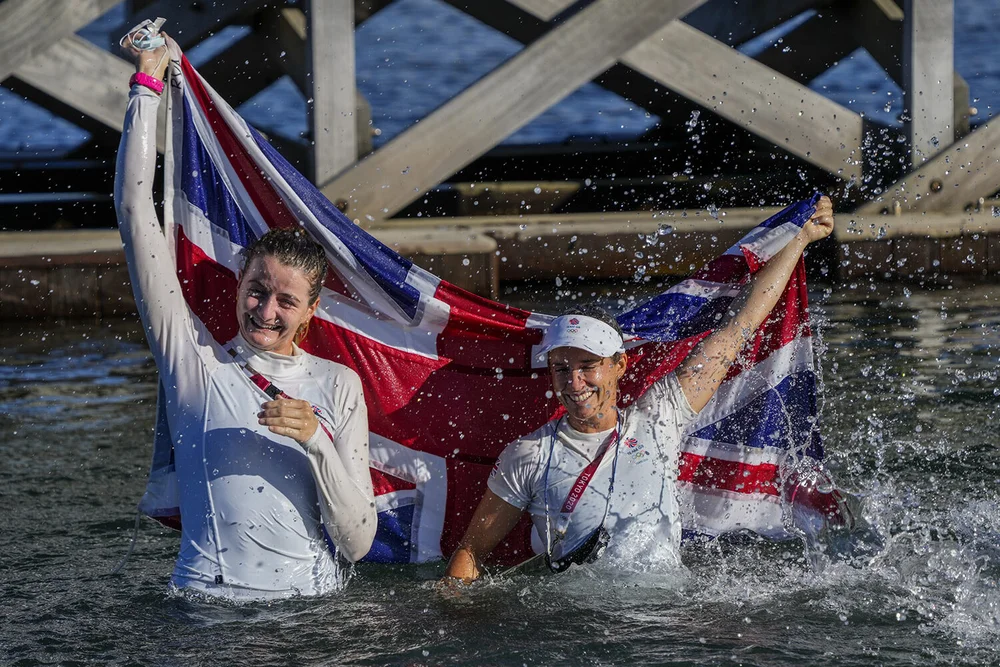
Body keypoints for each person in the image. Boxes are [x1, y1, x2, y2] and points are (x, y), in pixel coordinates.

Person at [442, 197, 836, 581]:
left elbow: (741, 327)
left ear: (618, 366)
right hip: (575, 633)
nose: (574, 382)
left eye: (588, 366)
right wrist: (454, 604)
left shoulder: (661, 415)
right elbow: (472, 551)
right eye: (562, 368)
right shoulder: (528, 455)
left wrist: (799, 240)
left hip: (663, 631)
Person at [116, 31, 376, 599]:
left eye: (286, 300)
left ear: (311, 311)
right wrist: (146, 85)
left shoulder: (338, 386)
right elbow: (137, 214)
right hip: (208, 614)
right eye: (258, 291)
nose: (266, 310)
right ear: (240, 285)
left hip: (313, 617)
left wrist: (317, 442)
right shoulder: (194, 365)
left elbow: (357, 544)